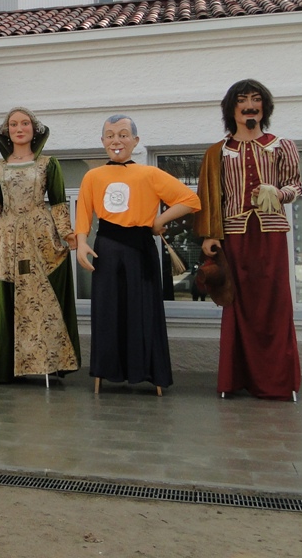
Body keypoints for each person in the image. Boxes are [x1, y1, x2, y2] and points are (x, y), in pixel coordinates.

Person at [75, 115, 200, 394]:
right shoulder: (93, 176)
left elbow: (190, 200)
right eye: (109, 135)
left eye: (122, 134)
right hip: (106, 247)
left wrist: (159, 221)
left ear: (135, 141)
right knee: (107, 310)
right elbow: (83, 213)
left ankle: (148, 370)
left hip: (140, 248)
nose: (116, 140)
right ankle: (106, 370)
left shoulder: (149, 174)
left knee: (144, 308)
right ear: (102, 141)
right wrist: (82, 242)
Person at [196, 79, 302, 401]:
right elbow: (210, 197)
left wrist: (278, 193)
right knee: (237, 304)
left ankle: (277, 382)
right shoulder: (218, 152)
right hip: (234, 236)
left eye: (256, 99)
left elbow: (296, 185)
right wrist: (209, 236)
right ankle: (235, 379)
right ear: (233, 109)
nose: (250, 105)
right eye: (243, 100)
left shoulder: (282, 145)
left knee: (275, 304)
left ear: (264, 108)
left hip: (270, 234)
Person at [0, 107, 80, 384]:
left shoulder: (48, 164)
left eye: (25, 123)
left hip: (40, 235)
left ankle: (49, 361)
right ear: (6, 131)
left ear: (34, 129)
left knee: (42, 295)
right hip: (8, 236)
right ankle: (6, 367)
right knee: (9, 289)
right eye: (13, 124)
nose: (19, 128)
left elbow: (58, 202)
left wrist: (67, 234)